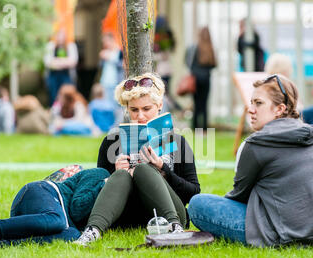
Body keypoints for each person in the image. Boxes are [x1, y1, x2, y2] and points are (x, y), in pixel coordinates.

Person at [188, 74, 313, 248]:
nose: (251, 109)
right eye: (251, 102)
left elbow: (239, 196)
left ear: (280, 109)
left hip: (289, 233)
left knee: (198, 204)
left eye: (258, 103)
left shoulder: (257, 143)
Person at [73, 73, 201, 245]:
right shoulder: (112, 142)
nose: (140, 116)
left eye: (146, 109)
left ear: (159, 106)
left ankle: (174, 228)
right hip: (126, 215)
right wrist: (113, 175)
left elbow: (193, 193)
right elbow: (97, 188)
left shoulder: (177, 141)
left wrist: (164, 169)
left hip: (169, 213)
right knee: (120, 175)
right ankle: (92, 231)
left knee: (144, 169)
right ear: (127, 109)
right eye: (134, 110)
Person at [0, 168, 110, 249]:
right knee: (57, 220)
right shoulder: (100, 174)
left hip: (41, 221)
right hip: (41, 192)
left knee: (73, 235)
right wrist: (105, 184)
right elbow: (77, 208)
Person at [185, 26, 217, 131]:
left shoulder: (194, 48)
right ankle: (204, 128)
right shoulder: (210, 48)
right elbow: (214, 64)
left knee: (196, 103)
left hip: (196, 80)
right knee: (204, 104)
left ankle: (195, 127)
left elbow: (188, 62)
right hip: (206, 79)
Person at [44, 29, 79, 106]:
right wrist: (64, 62)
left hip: (66, 76)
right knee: (53, 95)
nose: (60, 38)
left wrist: (57, 61)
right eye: (58, 36)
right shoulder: (51, 46)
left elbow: (73, 61)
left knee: (67, 95)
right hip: (53, 76)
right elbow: (48, 62)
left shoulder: (70, 46)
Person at [99, 32, 124, 125]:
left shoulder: (119, 52)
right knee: (108, 105)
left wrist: (110, 58)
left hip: (116, 82)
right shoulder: (105, 52)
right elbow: (101, 66)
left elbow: (123, 65)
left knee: (116, 105)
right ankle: (110, 124)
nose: (105, 44)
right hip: (106, 82)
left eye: (106, 42)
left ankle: (117, 124)